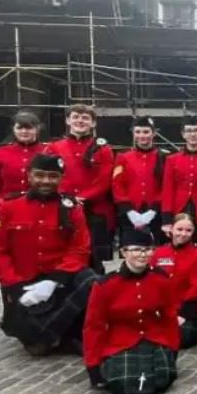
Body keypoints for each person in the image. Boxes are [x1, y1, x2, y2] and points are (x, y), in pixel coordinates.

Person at [0, 153, 97, 356]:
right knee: (36, 346)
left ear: (61, 178)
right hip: (23, 281)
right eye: (40, 175)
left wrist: (54, 280)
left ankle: (65, 333)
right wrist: (15, 286)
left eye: (53, 176)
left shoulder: (71, 208)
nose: (46, 181)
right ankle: (51, 333)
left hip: (60, 279)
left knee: (91, 281)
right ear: (29, 176)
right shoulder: (7, 206)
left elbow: (79, 248)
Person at [83, 228, 179, 394]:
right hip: (120, 343)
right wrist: (93, 367)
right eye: (136, 249)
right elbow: (93, 327)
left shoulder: (160, 279)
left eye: (148, 249)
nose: (143, 254)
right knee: (120, 384)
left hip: (154, 339)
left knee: (163, 379)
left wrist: (172, 349)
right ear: (123, 252)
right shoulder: (105, 286)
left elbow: (169, 318)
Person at [49, 103, 115, 271]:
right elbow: (50, 176)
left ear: (93, 123)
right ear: (68, 121)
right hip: (63, 207)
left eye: (85, 118)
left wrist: (83, 197)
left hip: (94, 210)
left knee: (94, 259)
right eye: (76, 117)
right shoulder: (54, 147)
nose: (80, 121)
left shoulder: (103, 149)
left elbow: (105, 178)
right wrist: (66, 197)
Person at [0, 109, 48, 228]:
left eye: (28, 128)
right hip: (8, 209)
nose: (24, 131)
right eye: (19, 128)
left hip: (40, 208)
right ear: (13, 129)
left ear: (37, 129)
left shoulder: (48, 151)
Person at [150, 213, 197, 348]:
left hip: (189, 312)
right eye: (179, 229)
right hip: (164, 310)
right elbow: (152, 282)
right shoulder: (159, 253)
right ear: (171, 229)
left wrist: (182, 315)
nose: (183, 234)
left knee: (177, 337)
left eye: (188, 230)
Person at [113, 116, 166, 244]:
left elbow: (166, 185)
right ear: (133, 133)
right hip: (130, 213)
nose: (142, 135)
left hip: (156, 213)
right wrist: (129, 211)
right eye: (138, 132)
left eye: (146, 132)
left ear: (153, 133)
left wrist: (153, 211)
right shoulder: (123, 157)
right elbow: (117, 184)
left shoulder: (164, 157)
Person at [160, 116, 197, 236]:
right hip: (179, 207)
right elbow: (168, 189)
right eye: (189, 131)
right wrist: (166, 219)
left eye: (196, 131)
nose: (193, 134)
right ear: (183, 134)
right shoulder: (172, 160)